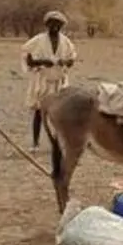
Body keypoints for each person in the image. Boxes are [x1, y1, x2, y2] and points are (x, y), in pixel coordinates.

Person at [21, 10, 77, 150]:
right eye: (52, 24)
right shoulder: (38, 40)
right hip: (43, 80)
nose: (55, 27)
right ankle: (35, 143)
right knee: (39, 113)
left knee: (59, 113)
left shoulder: (66, 42)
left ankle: (58, 142)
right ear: (47, 24)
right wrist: (42, 61)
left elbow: (72, 59)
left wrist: (65, 61)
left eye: (58, 24)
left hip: (59, 81)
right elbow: (27, 58)